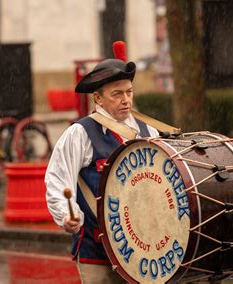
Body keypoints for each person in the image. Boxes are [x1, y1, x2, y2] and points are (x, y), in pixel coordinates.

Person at [45, 54, 160, 283]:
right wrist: (67, 214)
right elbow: (58, 178)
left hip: (143, 253)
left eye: (129, 92)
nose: (126, 99)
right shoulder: (81, 132)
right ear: (98, 98)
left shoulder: (149, 131)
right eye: (117, 94)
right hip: (96, 249)